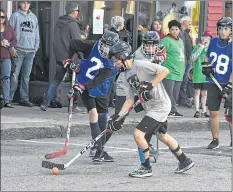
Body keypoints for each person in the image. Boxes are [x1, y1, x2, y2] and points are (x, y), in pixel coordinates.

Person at [107, 41, 195, 178]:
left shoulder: (141, 65)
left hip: (160, 105)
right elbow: (129, 100)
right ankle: (184, 160)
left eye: (115, 59)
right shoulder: (124, 76)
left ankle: (146, 167)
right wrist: (118, 117)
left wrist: (150, 85)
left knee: (138, 134)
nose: (114, 63)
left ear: (123, 56)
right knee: (162, 136)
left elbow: (164, 71)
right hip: (152, 108)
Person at [65, 30, 120, 161]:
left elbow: (97, 81)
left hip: (100, 87)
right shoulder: (93, 45)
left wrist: (81, 87)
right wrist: (70, 60)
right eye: (104, 44)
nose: (105, 49)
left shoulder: (112, 64)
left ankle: (98, 147)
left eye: (109, 46)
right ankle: (98, 149)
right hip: (83, 81)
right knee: (93, 114)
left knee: (102, 115)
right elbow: (73, 43)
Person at [40, 1, 82, 111]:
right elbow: (78, 42)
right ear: (73, 12)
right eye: (77, 11)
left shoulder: (59, 23)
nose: (78, 13)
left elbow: (55, 41)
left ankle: (45, 103)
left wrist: (59, 56)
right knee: (75, 82)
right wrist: (81, 56)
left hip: (61, 58)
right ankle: (74, 105)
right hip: (72, 57)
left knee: (56, 80)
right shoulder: (72, 24)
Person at [202, 17, 232, 149]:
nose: (222, 31)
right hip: (213, 81)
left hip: (229, 83)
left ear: (231, 30)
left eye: (225, 28)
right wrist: (206, 65)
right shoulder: (213, 42)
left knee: (230, 114)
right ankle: (215, 139)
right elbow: (207, 56)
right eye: (220, 28)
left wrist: (230, 84)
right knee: (213, 112)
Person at [9, 1, 40, 107]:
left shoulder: (33, 17)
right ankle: (8, 98)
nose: (25, 5)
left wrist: (35, 48)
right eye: (23, 3)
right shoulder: (15, 16)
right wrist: (11, 48)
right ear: (20, 4)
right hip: (18, 50)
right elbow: (9, 32)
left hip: (30, 51)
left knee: (26, 77)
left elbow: (36, 33)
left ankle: (24, 98)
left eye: (28, 3)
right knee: (14, 75)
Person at [161, 20, 185, 117]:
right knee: (167, 93)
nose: (175, 31)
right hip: (169, 71)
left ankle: (173, 110)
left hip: (179, 72)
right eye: (172, 29)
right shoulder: (165, 40)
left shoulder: (180, 41)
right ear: (169, 30)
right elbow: (160, 55)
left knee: (175, 94)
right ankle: (166, 111)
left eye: (176, 29)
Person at [190, 29, 212, 118]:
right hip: (198, 73)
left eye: (208, 38)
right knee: (197, 92)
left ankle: (204, 110)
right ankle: (196, 110)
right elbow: (193, 58)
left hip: (206, 74)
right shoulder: (198, 46)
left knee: (204, 93)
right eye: (205, 37)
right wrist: (201, 47)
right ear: (202, 38)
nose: (206, 39)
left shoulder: (210, 49)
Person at [0, 9, 17, 108]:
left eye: (2, 17)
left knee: (6, 78)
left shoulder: (9, 28)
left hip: (6, 56)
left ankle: (6, 100)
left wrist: (10, 44)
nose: (0, 19)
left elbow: (14, 40)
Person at [178, 15, 194, 108]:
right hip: (184, 60)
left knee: (186, 81)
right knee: (183, 80)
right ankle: (182, 99)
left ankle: (183, 99)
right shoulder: (180, 32)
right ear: (184, 22)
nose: (190, 23)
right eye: (189, 22)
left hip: (188, 59)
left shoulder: (185, 32)